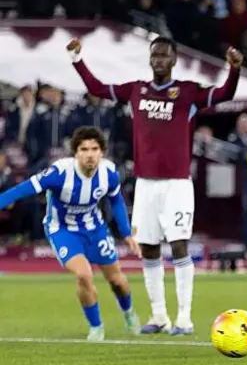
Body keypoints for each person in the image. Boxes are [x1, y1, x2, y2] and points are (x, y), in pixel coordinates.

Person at [66, 36, 243, 335]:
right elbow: (97, 88)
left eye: (164, 55)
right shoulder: (136, 90)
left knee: (178, 245)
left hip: (177, 184)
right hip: (146, 183)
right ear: (150, 60)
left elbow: (224, 94)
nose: (159, 59)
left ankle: (184, 318)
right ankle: (159, 316)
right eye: (155, 55)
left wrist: (234, 70)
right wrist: (77, 60)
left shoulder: (188, 92)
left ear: (174, 60)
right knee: (148, 248)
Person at [0, 126, 142, 341]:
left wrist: (126, 233)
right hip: (63, 231)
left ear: (101, 152)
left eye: (94, 149)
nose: (89, 154)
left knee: (117, 281)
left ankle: (129, 313)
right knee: (83, 275)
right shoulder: (59, 173)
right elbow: (23, 189)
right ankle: (96, 327)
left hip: (95, 229)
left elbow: (116, 200)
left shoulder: (109, 173)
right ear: (75, 152)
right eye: (84, 149)